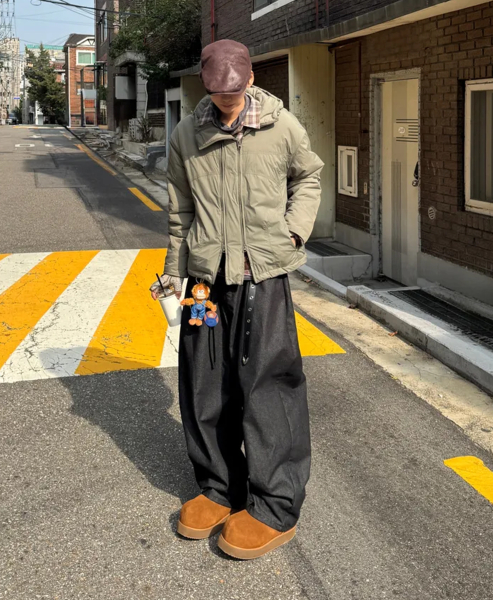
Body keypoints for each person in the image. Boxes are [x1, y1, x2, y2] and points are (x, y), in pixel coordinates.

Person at [151, 39, 323, 560]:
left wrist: (294, 232)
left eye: (234, 91)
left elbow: (309, 176)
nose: (226, 101)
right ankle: (219, 489)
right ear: (206, 85)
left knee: (269, 386)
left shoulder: (281, 126)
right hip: (206, 280)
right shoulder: (187, 133)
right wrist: (173, 274)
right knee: (204, 385)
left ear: (249, 79)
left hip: (262, 276)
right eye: (217, 93)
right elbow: (179, 211)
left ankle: (275, 505)